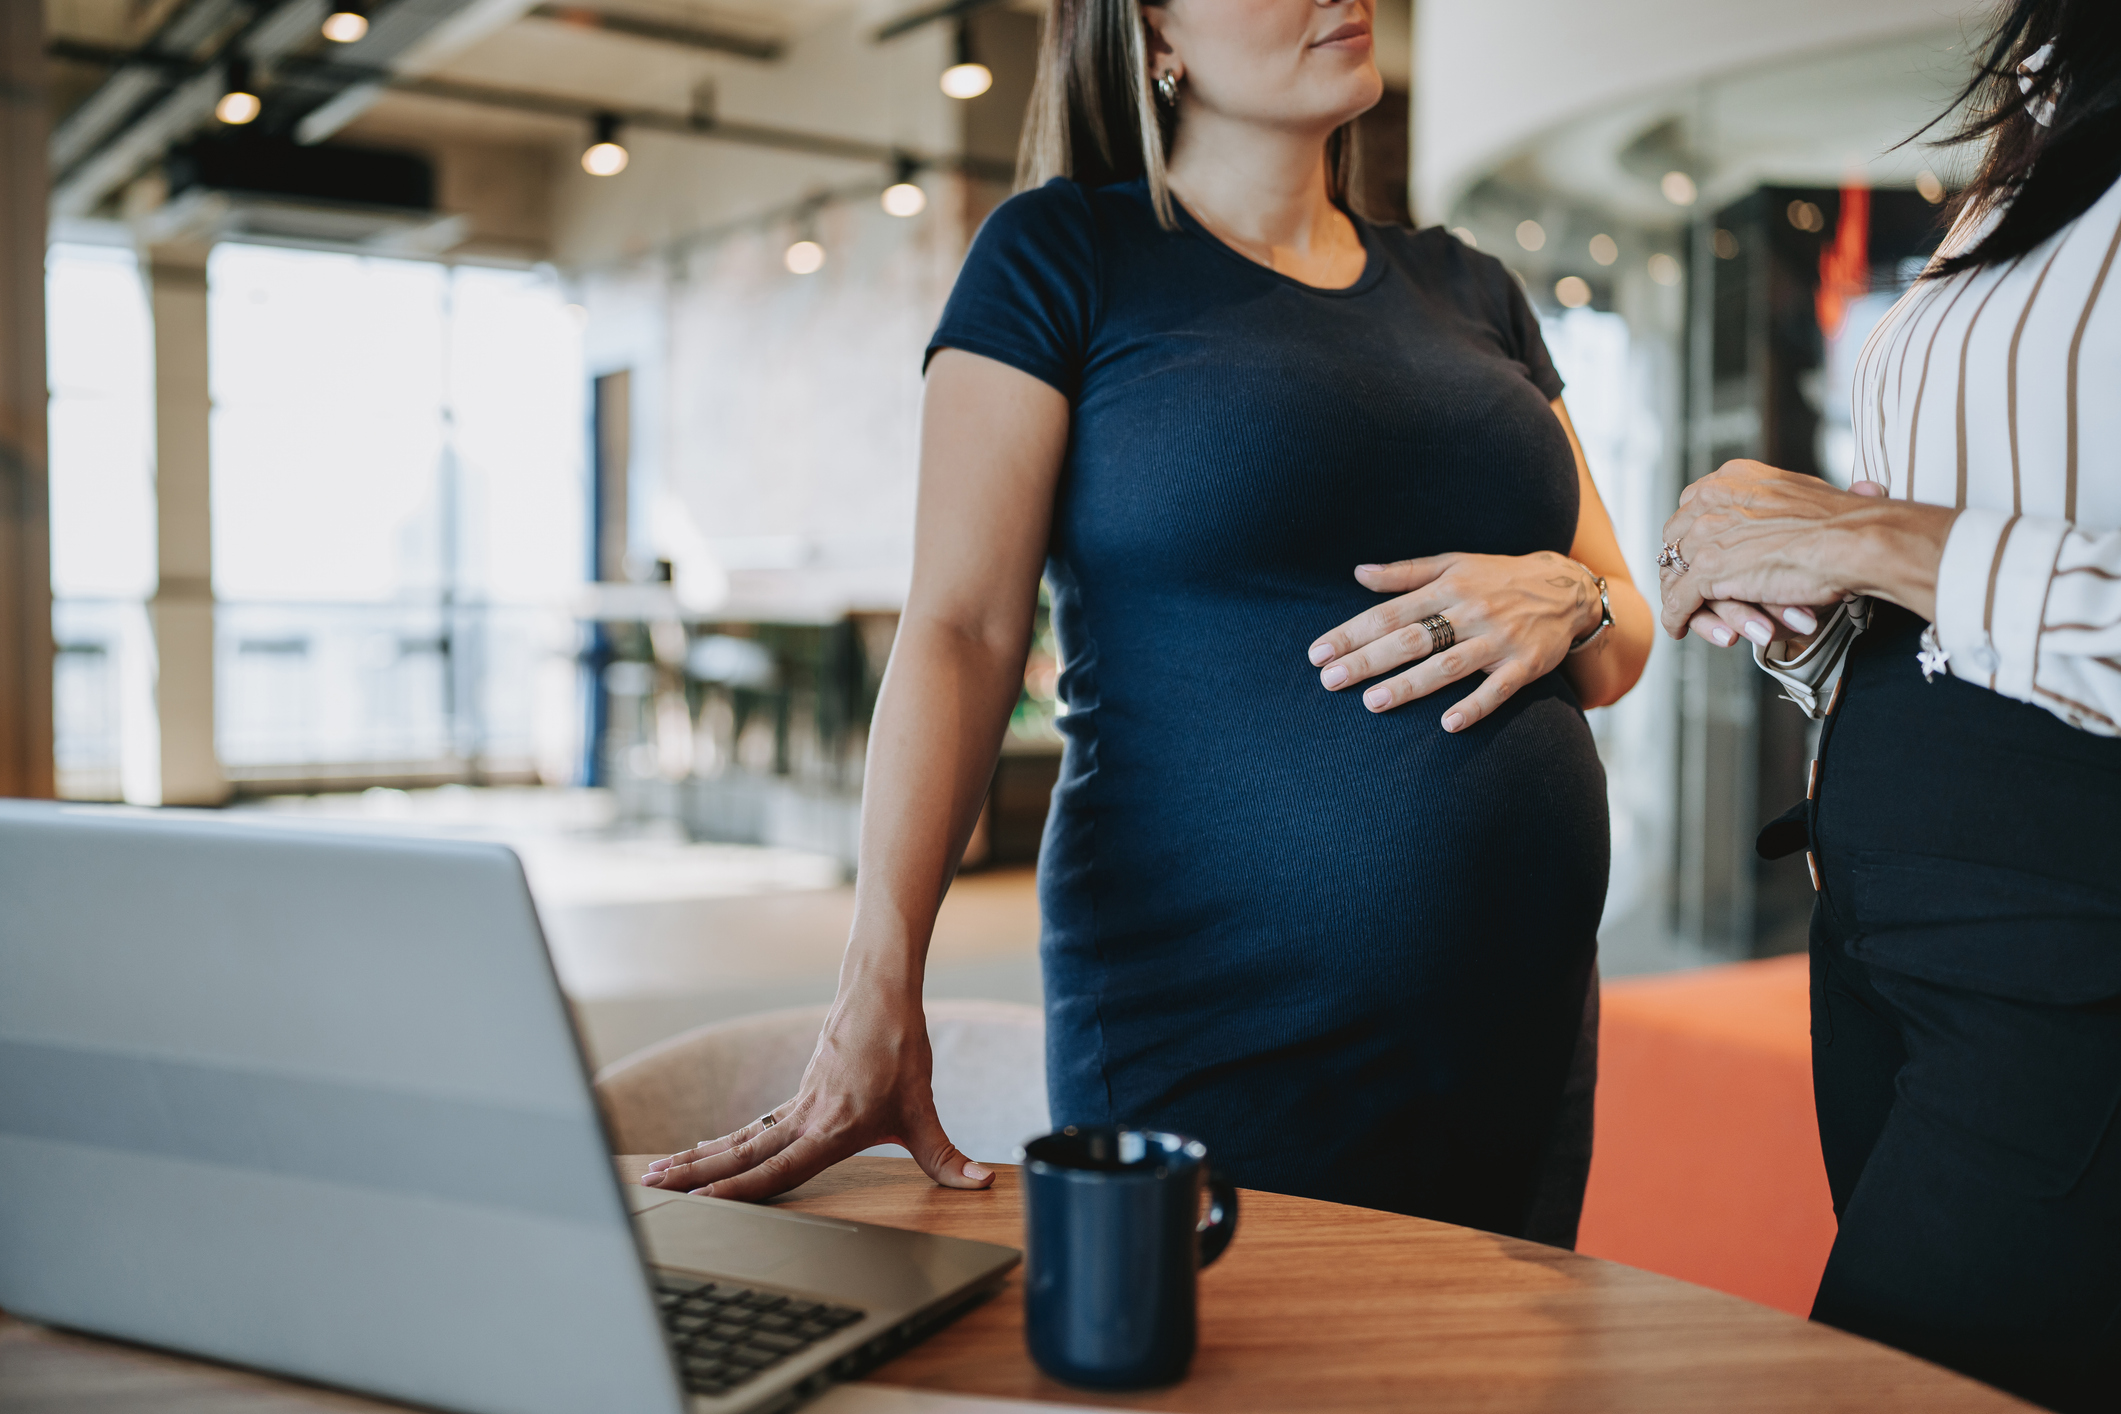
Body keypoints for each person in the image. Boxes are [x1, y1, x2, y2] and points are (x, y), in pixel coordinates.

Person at [642, 0, 1650, 1241]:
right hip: (1220, 1007)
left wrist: (1574, 590)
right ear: (1154, 35)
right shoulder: (1060, 257)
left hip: (1521, 1015)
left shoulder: (1472, 291)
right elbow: (959, 630)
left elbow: (1619, 638)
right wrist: (877, 983)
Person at [1657, 2, 2121, 1405]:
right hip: (1880, 921)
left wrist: (1861, 540)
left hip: (2066, 934)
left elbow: (1938, 544)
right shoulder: (2051, 93)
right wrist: (1801, 602)